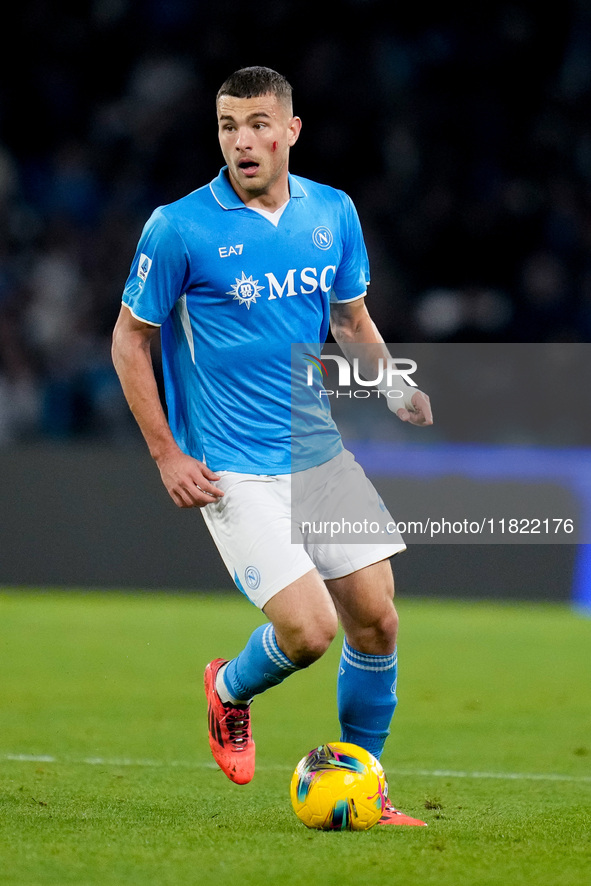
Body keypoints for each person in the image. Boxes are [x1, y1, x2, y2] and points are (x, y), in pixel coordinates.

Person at [112, 66, 433, 826]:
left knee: (377, 621)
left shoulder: (333, 212)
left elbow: (350, 322)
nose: (242, 140)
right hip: (231, 468)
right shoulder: (179, 226)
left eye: (258, 123)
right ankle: (228, 689)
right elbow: (131, 342)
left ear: (290, 129)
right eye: (227, 126)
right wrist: (165, 452)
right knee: (310, 630)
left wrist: (392, 387)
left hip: (317, 455)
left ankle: (367, 788)